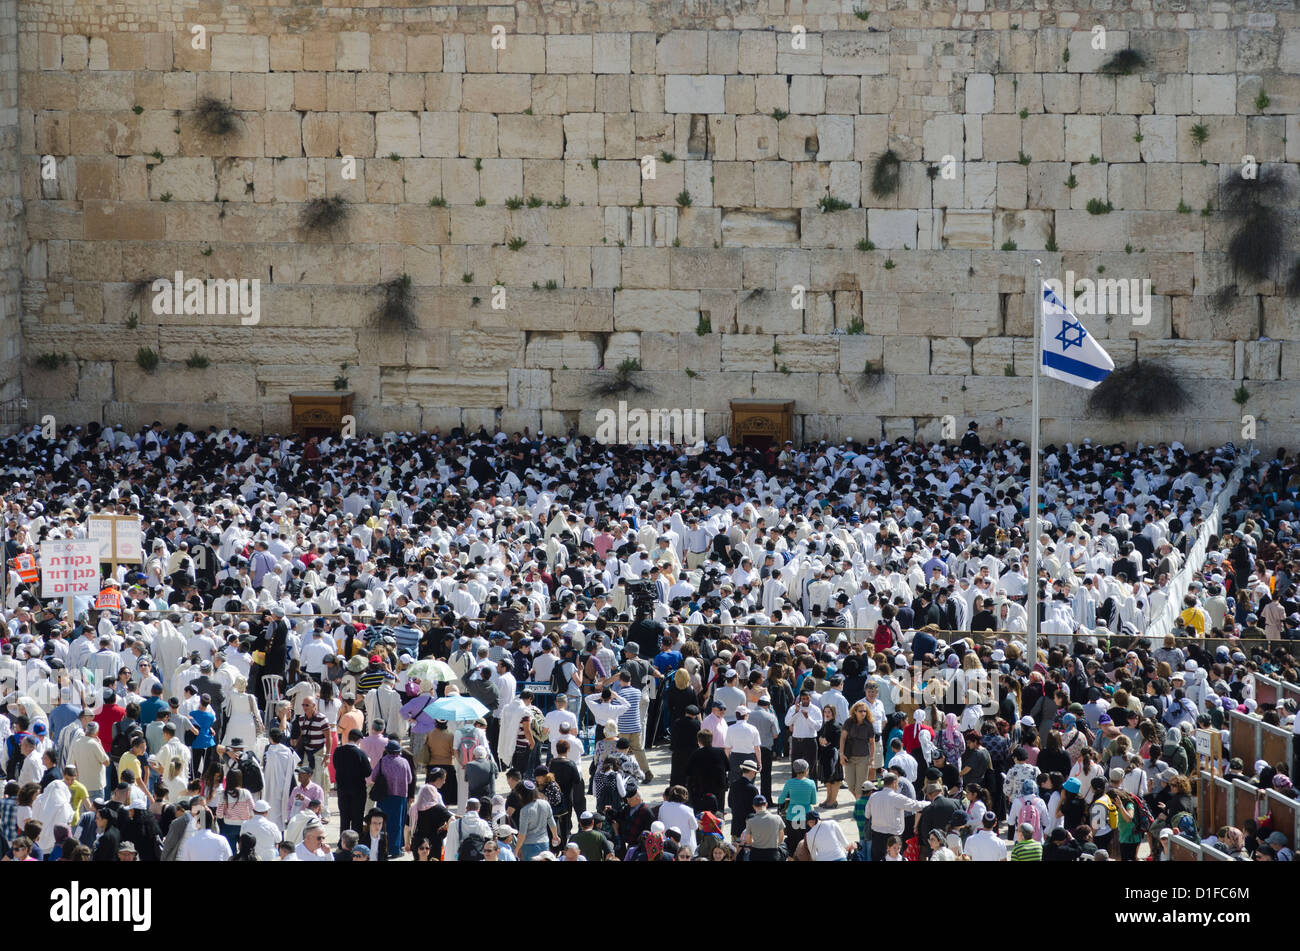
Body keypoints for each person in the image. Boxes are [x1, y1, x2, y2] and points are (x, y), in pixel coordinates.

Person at [368, 739, 413, 858]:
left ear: (387, 751)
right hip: (400, 796)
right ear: (399, 751)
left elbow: (373, 777)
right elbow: (409, 780)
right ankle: (395, 848)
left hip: (384, 796)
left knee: (382, 823)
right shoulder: (404, 762)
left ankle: (382, 847)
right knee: (398, 823)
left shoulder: (382, 761)